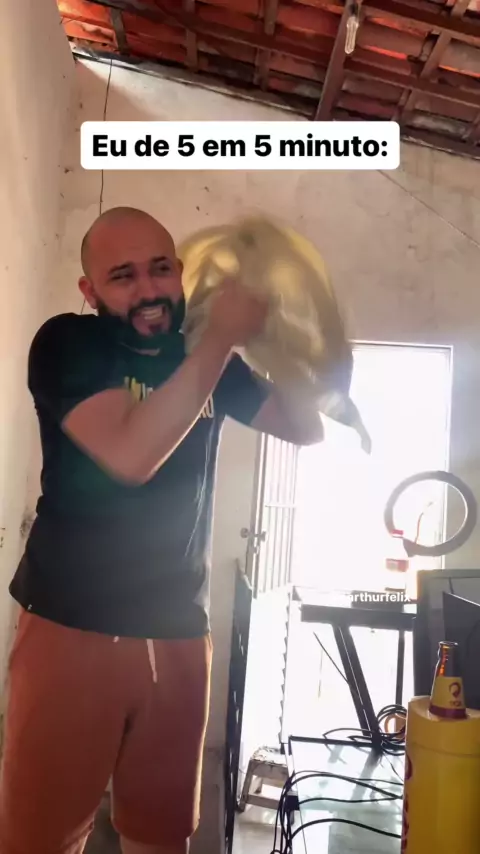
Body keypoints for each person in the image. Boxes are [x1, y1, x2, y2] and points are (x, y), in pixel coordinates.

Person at [0, 207, 323, 854]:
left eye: (160, 269)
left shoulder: (205, 355)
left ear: (180, 271)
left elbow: (303, 426)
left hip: (179, 631)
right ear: (90, 290)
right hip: (72, 626)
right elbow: (130, 457)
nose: (148, 290)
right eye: (123, 276)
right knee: (40, 835)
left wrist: (277, 334)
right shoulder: (69, 343)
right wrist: (219, 339)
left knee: (162, 833)